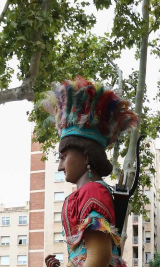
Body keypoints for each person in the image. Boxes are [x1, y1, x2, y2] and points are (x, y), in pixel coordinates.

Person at [41, 76, 139, 267]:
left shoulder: (92, 190)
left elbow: (98, 258)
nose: (60, 167)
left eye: (63, 157)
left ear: (86, 157)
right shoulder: (88, 192)